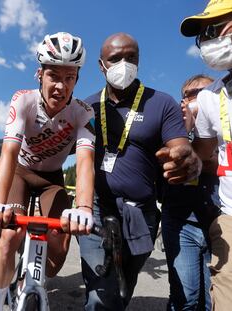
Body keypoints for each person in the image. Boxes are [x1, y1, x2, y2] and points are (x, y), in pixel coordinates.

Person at [80, 32, 202, 310]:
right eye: (115, 58)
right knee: (99, 292)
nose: (124, 63)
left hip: (141, 212)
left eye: (130, 57)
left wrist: (186, 157)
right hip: (99, 207)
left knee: (124, 284)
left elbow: (180, 146)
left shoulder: (162, 103)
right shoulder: (87, 108)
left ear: (139, 60)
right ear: (101, 65)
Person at [0, 32, 96, 311]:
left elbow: (84, 161)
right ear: (39, 75)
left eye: (70, 78)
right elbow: (8, 153)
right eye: (54, 75)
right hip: (21, 171)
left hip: (51, 180)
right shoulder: (23, 100)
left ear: (77, 81)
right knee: (9, 237)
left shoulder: (83, 112)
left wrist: (84, 208)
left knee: (55, 257)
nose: (61, 86)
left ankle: (29, 274)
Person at [181, 1, 232, 309]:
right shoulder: (212, 97)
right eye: (203, 36)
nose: (207, 43)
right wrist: (185, 159)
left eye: (213, 30)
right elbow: (200, 153)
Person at [160, 74, 220, 311]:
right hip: (181, 221)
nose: (199, 98)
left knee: (211, 300)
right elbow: (164, 163)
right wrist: (183, 135)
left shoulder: (224, 127)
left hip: (216, 223)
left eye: (206, 92)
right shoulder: (171, 129)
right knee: (187, 298)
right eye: (192, 94)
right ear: (182, 100)